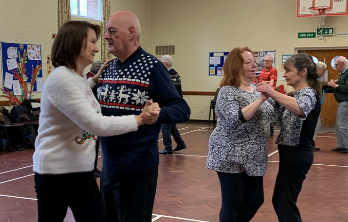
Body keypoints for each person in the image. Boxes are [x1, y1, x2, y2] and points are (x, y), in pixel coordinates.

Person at [32, 20, 161, 222]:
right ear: (75, 43)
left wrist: (94, 79)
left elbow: (81, 92)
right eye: (92, 41)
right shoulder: (62, 79)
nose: (96, 47)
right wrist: (139, 119)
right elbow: (95, 124)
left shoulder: (78, 77)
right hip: (56, 173)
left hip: (78, 170)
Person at [93, 11, 191, 222]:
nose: (106, 37)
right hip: (109, 166)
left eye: (112, 31)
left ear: (131, 33)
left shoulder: (152, 67)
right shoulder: (109, 69)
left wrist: (157, 113)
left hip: (138, 169)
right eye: (106, 32)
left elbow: (182, 108)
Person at [206, 47, 274, 222]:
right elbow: (235, 118)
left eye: (254, 61)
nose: (254, 64)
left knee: (256, 199)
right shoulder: (227, 91)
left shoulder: (257, 88)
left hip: (254, 156)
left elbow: (272, 114)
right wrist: (261, 99)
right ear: (236, 66)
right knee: (232, 203)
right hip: (230, 154)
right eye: (248, 62)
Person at [257, 53, 321, 222]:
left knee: (284, 201)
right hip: (289, 154)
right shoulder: (294, 95)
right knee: (280, 200)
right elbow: (277, 120)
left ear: (303, 72)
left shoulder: (309, 93)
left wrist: (272, 92)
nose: (284, 74)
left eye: (288, 70)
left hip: (298, 154)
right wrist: (264, 98)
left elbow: (301, 109)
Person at [159, 55, 187, 154]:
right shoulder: (176, 74)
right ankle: (180, 143)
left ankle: (168, 147)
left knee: (166, 125)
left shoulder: (167, 75)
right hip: (177, 102)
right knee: (172, 125)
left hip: (168, 103)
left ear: (164, 64)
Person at [86, 60, 105, 177]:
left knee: (95, 144)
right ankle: (90, 168)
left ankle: (93, 167)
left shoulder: (90, 78)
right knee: (91, 145)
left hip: (94, 115)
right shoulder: (89, 80)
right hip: (90, 116)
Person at [325, 56, 348, 153]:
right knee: (338, 125)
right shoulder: (342, 74)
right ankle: (341, 145)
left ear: (343, 64)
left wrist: (336, 85)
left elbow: (346, 88)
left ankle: (346, 145)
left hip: (345, 101)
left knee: (342, 125)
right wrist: (330, 86)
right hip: (341, 101)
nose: (335, 67)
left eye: (337, 65)